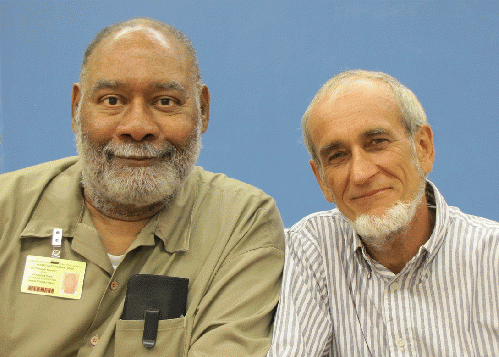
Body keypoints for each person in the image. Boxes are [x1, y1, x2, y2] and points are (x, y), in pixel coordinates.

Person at [0, 18, 284, 356]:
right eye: (112, 100)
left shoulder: (243, 223)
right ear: (76, 107)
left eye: (165, 101)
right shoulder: (7, 208)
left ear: (203, 110)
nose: (137, 127)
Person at [268, 70, 499, 356]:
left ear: (423, 148)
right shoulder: (313, 248)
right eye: (337, 156)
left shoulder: (492, 256)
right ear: (321, 180)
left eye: (377, 142)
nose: (362, 173)